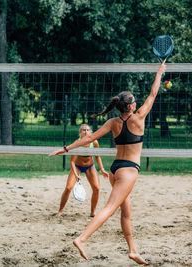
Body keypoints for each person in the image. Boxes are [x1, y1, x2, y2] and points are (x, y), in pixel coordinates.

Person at [49, 60, 167, 264]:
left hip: (114, 171)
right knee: (110, 208)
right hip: (128, 171)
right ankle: (82, 238)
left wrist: (67, 148)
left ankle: (132, 250)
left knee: (126, 212)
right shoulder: (139, 117)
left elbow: (89, 138)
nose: (137, 103)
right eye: (134, 101)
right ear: (130, 106)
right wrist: (159, 73)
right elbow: (153, 94)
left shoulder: (112, 122)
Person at [57, 124, 109, 217]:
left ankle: (92, 212)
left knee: (96, 188)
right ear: (80, 133)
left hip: (89, 166)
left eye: (87, 130)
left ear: (91, 132)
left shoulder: (95, 143)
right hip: (77, 166)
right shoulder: (77, 143)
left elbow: (97, 156)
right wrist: (76, 175)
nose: (85, 132)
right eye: (83, 130)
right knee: (68, 188)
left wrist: (102, 169)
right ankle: (60, 211)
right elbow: (72, 161)